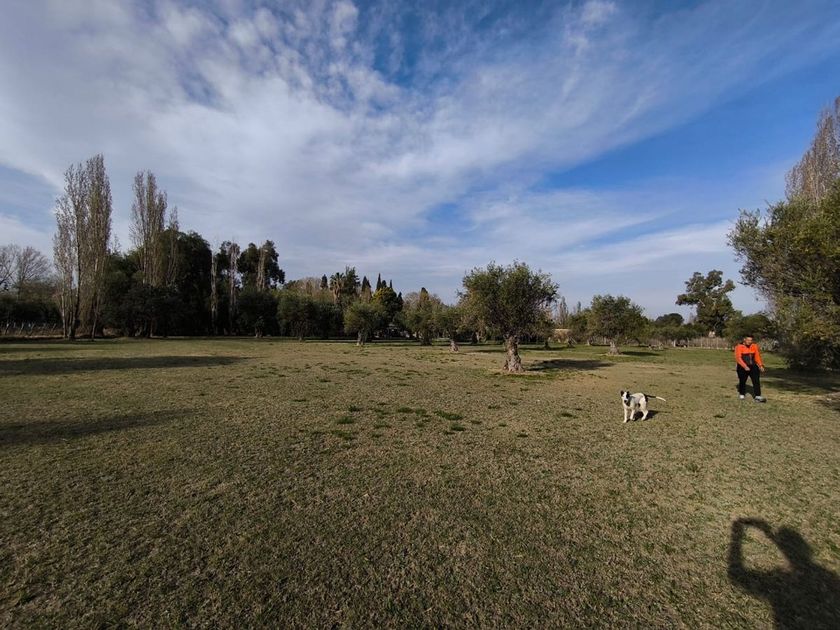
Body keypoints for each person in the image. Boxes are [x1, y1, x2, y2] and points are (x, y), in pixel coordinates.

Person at [734, 335, 765, 402]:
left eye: (751, 340)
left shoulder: (754, 346)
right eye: (748, 340)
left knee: (756, 380)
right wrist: (745, 366)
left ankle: (758, 396)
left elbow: (757, 356)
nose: (749, 342)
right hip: (742, 367)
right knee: (742, 381)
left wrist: (760, 365)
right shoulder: (739, 347)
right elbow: (738, 358)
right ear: (744, 340)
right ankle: (742, 393)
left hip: (753, 366)